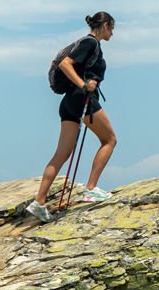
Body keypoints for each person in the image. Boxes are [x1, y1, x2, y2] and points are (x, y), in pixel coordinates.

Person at [28, 12, 118, 222]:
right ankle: (91, 189)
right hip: (81, 98)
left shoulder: (87, 44)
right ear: (104, 25)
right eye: (111, 28)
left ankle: (39, 202)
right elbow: (65, 64)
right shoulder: (90, 43)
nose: (112, 33)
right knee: (110, 140)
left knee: (61, 154)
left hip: (69, 101)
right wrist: (84, 85)